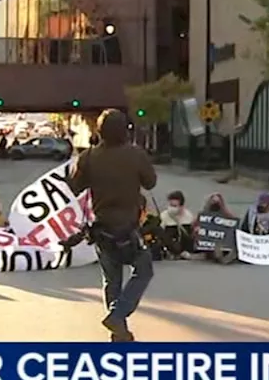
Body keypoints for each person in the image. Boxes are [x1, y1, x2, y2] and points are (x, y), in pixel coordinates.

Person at [67, 108, 157, 343]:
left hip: (102, 228)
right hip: (128, 227)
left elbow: (75, 187)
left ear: (100, 130)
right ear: (125, 130)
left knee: (112, 280)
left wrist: (79, 163)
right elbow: (151, 182)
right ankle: (118, 317)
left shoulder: (89, 157)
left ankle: (119, 331)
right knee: (143, 270)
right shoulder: (136, 154)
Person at [196, 192, 238, 264]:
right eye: (213, 201)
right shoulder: (203, 215)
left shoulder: (227, 215)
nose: (215, 204)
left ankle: (223, 257)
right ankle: (215, 256)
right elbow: (194, 225)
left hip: (222, 243)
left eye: (217, 202)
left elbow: (233, 225)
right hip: (207, 242)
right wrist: (197, 229)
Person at [158, 191, 196, 258]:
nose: (172, 208)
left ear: (181, 206)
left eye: (175, 206)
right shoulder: (164, 216)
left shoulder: (188, 216)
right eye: (170, 205)